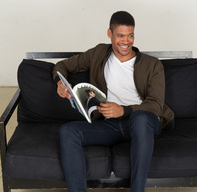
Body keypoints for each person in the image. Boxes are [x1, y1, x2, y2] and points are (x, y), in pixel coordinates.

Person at [52, 11, 174, 192]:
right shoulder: (99, 53)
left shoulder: (153, 64)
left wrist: (124, 110)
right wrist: (60, 82)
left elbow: (155, 105)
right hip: (111, 124)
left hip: (143, 123)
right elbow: (62, 65)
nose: (126, 41)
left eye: (130, 35)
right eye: (121, 36)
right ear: (110, 34)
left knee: (140, 119)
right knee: (68, 131)